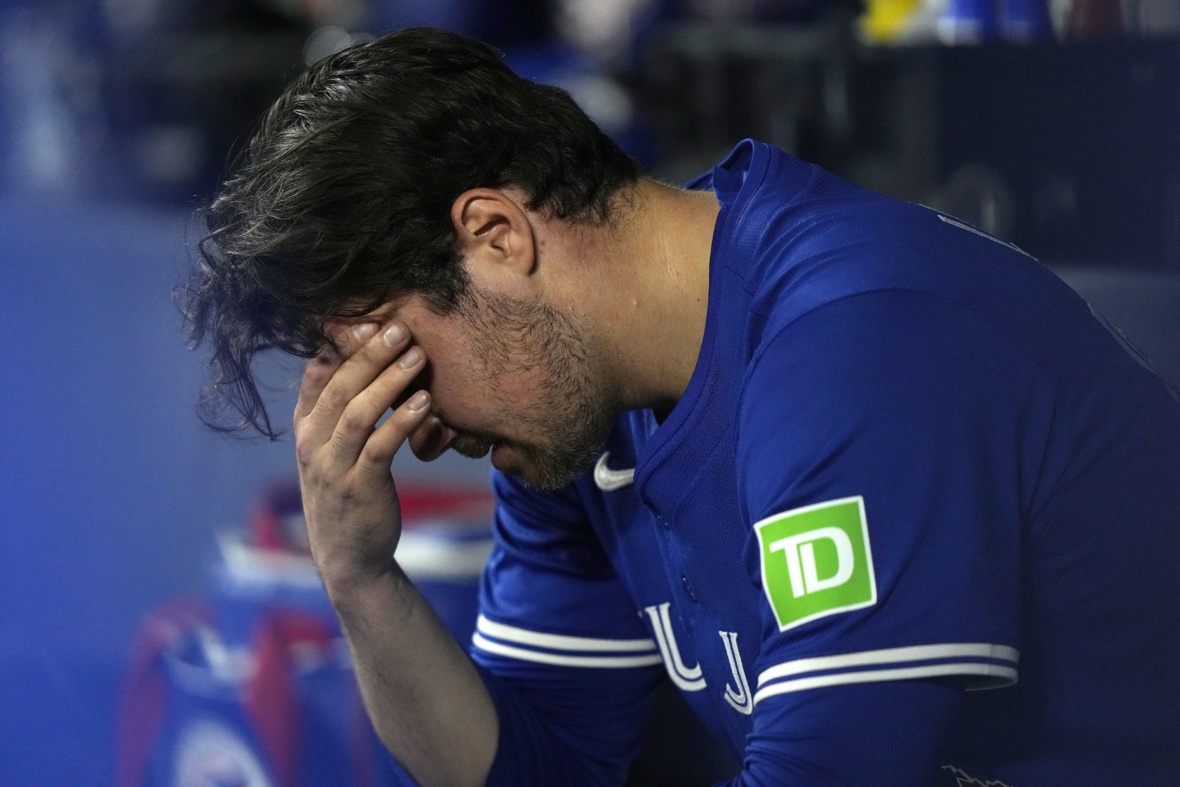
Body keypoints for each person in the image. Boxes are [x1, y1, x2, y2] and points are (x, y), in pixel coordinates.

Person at [182, 26, 1180, 787]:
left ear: (495, 235)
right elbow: (539, 769)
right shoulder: (568, 419)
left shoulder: (853, 339)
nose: (418, 430)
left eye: (404, 361)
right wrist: (359, 578)